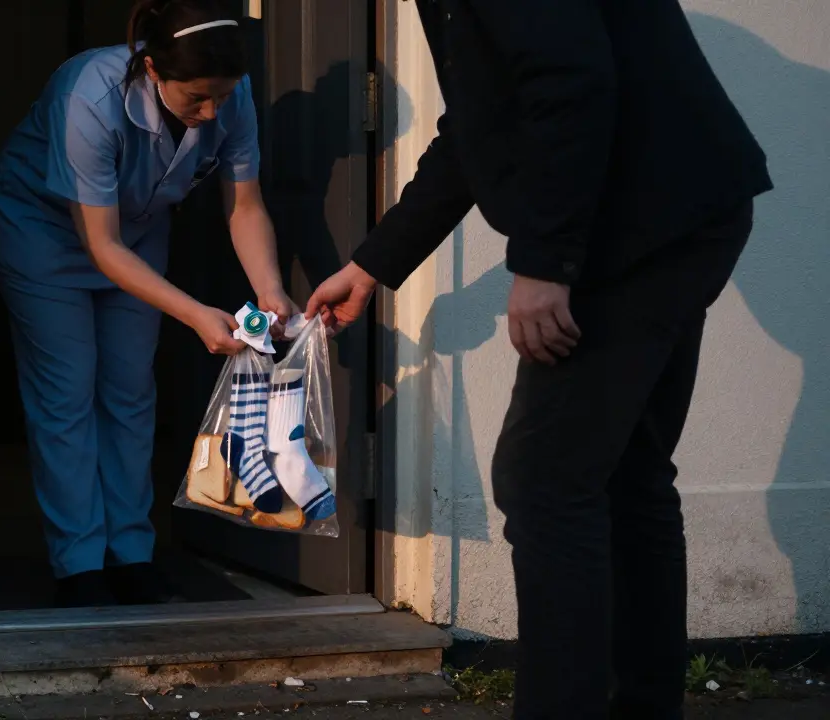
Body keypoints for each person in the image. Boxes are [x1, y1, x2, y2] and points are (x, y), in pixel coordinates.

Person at [306, 1, 772, 718]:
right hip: (679, 210)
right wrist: (372, 265)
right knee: (626, 475)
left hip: (644, 223)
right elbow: (479, 125)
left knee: (544, 482)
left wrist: (546, 262)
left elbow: (570, 82)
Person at [0, 0, 298, 609]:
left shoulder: (229, 94)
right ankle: (79, 564)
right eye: (196, 98)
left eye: (222, 97)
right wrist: (196, 315)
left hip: (137, 234)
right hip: (42, 235)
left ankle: (132, 554)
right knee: (67, 391)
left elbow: (244, 204)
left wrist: (270, 289)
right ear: (152, 68)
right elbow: (101, 246)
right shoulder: (89, 96)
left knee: (129, 390)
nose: (211, 112)